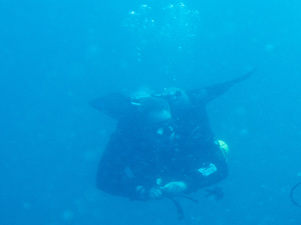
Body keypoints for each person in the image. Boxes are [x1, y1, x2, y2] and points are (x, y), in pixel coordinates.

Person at [90, 71, 251, 209]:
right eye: (157, 128)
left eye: (168, 125)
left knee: (220, 149)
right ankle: (143, 92)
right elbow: (105, 179)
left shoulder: (189, 130)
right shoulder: (127, 138)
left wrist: (186, 183)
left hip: (185, 167)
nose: (166, 133)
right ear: (142, 130)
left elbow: (219, 166)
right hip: (149, 174)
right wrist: (140, 190)